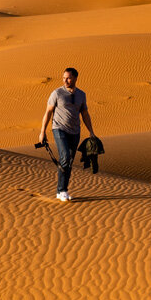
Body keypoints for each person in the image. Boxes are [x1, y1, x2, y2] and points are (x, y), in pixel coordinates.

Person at [37, 67, 96, 201]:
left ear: (75, 78)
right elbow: (48, 112)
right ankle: (62, 190)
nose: (65, 80)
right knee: (65, 156)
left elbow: (85, 114)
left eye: (68, 78)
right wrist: (42, 132)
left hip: (75, 131)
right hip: (59, 129)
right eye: (64, 78)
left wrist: (91, 131)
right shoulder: (57, 93)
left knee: (68, 161)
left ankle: (61, 190)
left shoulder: (81, 94)